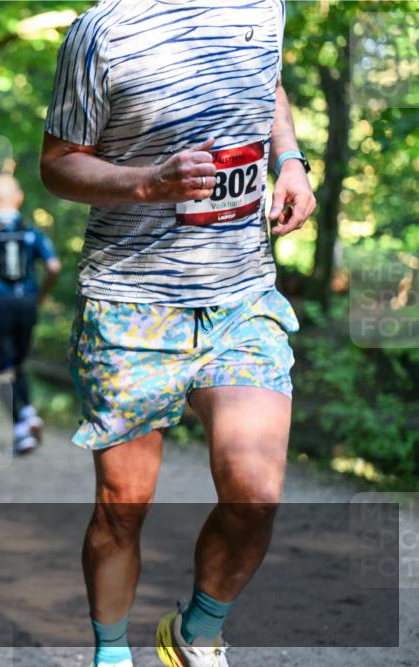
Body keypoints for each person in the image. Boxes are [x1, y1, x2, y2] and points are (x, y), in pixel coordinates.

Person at [40, 2, 315, 666]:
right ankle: (111, 652)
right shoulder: (102, 31)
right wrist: (147, 183)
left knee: (255, 493)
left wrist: (292, 160)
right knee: (122, 508)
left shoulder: (261, 6)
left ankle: (196, 633)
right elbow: (57, 164)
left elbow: (266, 83)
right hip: (131, 306)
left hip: (240, 297)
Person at [0, 174, 61, 455]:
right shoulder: (32, 232)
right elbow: (53, 266)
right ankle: (29, 412)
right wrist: (41, 296)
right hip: (27, 303)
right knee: (18, 363)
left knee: (3, 370)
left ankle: (21, 428)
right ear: (19, 199)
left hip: (0, 304)